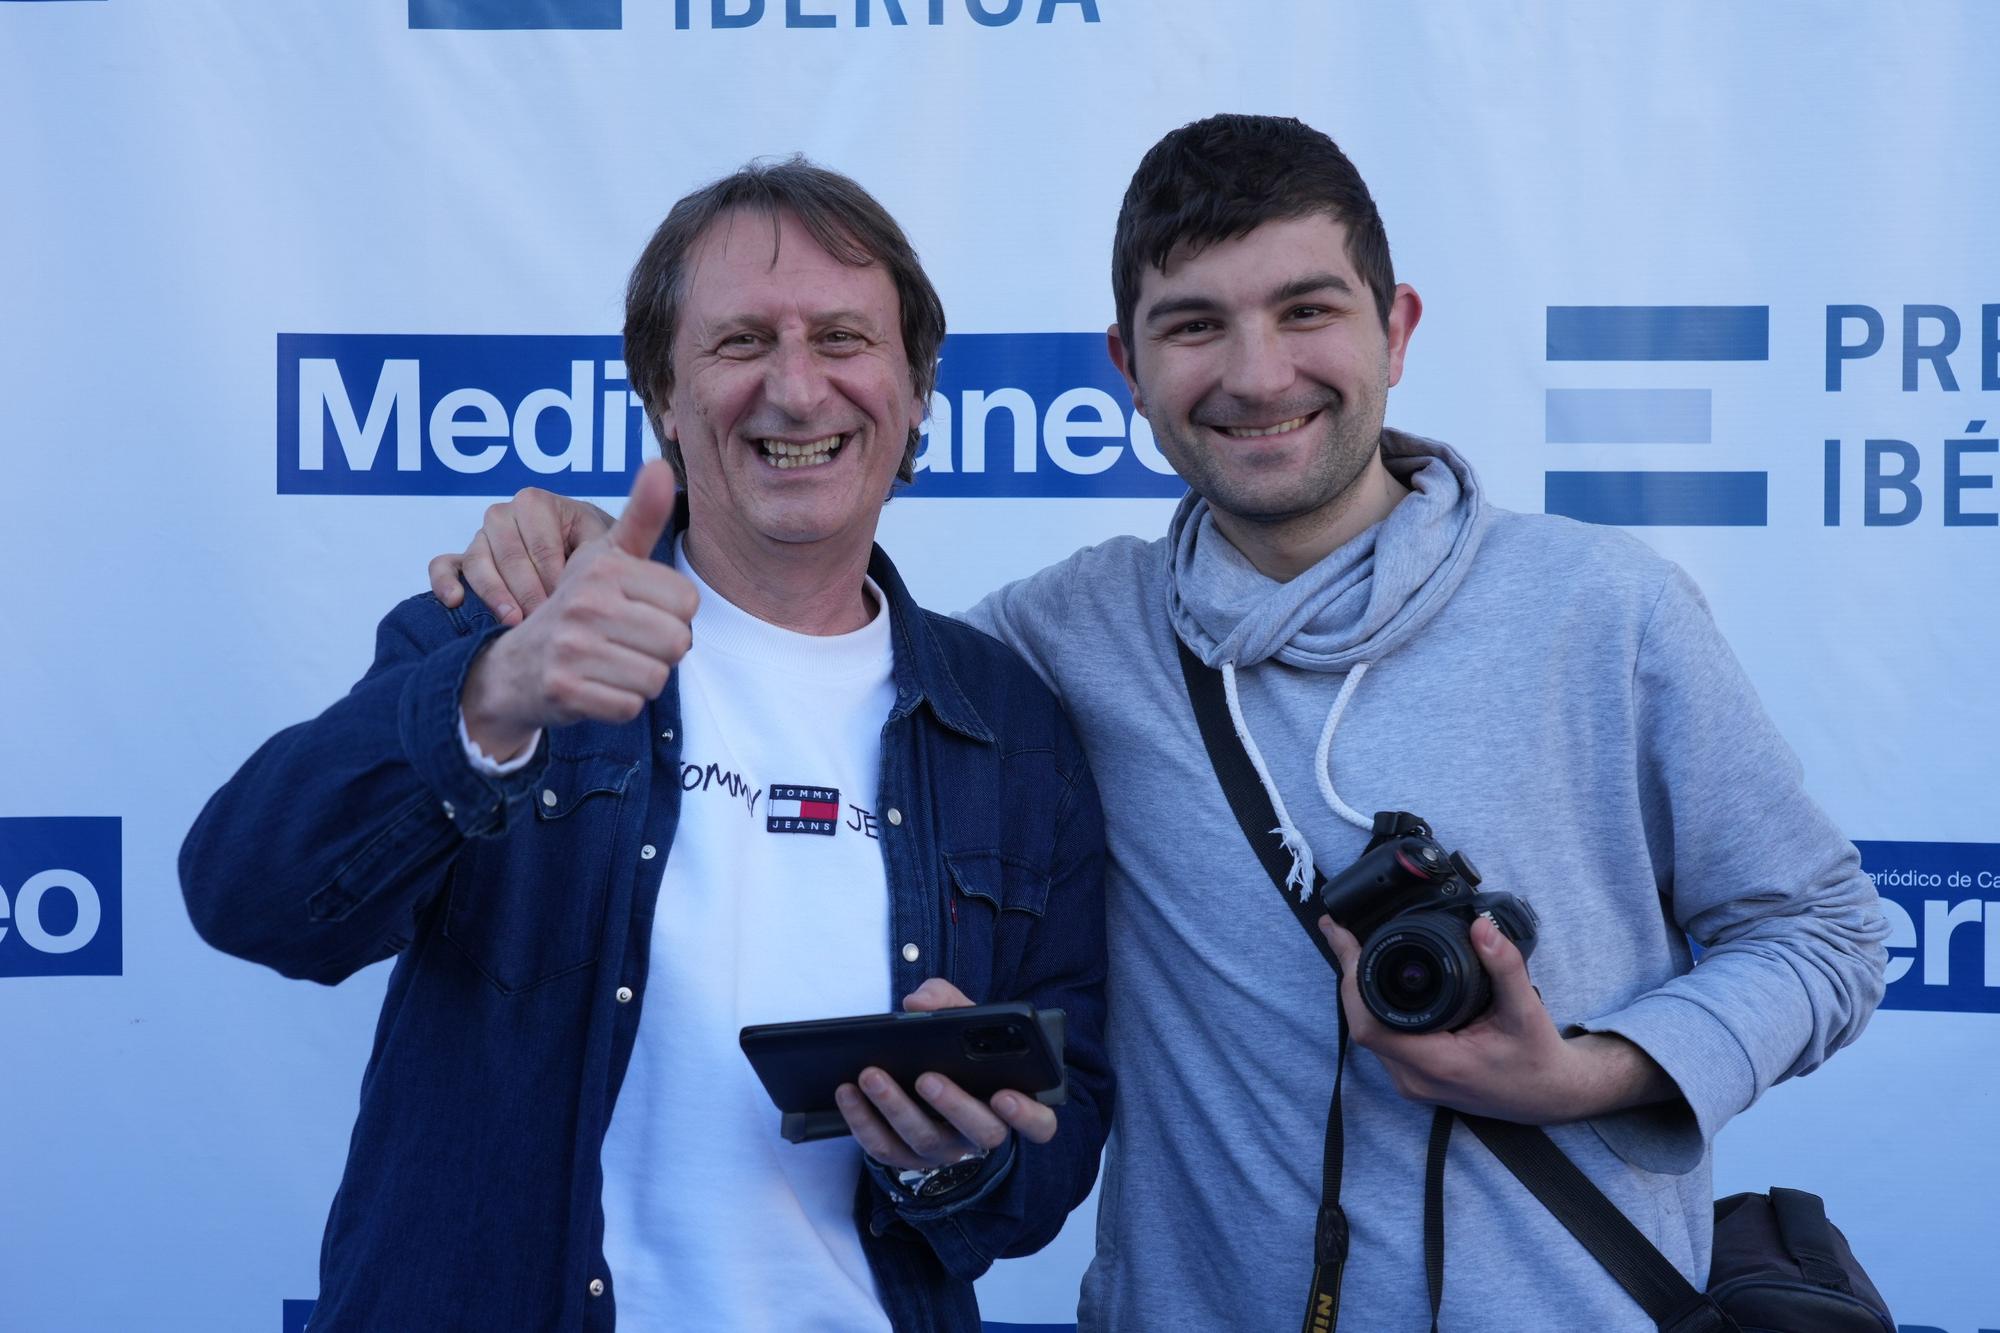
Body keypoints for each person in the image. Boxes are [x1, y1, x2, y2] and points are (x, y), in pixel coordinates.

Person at [433, 116, 1888, 1330]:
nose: (1257, 376)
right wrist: (577, 539)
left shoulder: (1606, 609)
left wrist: (1581, 1072)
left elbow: (1821, 932)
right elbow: (801, 625)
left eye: (1307, 310)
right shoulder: (1054, 645)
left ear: (1397, 327)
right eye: (1195, 325)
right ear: (1126, 366)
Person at [181, 159, 1112, 1333]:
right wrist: (493, 698)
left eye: (840, 337)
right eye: (737, 344)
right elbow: (245, 895)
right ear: (660, 397)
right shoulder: (513, 620)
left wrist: (955, 1157)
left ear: (917, 387)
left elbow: (1053, 1144)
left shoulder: (1012, 733)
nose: (794, 386)